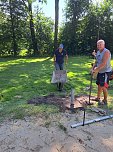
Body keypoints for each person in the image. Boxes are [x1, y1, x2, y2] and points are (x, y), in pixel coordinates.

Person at [92, 39, 112, 105]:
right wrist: (93, 68)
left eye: (100, 44)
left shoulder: (106, 52)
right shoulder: (98, 52)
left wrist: (96, 69)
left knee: (103, 86)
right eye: (98, 45)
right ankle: (98, 98)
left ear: (104, 45)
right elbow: (97, 61)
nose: (99, 46)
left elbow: (103, 63)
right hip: (100, 71)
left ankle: (105, 100)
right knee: (99, 85)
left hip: (106, 71)